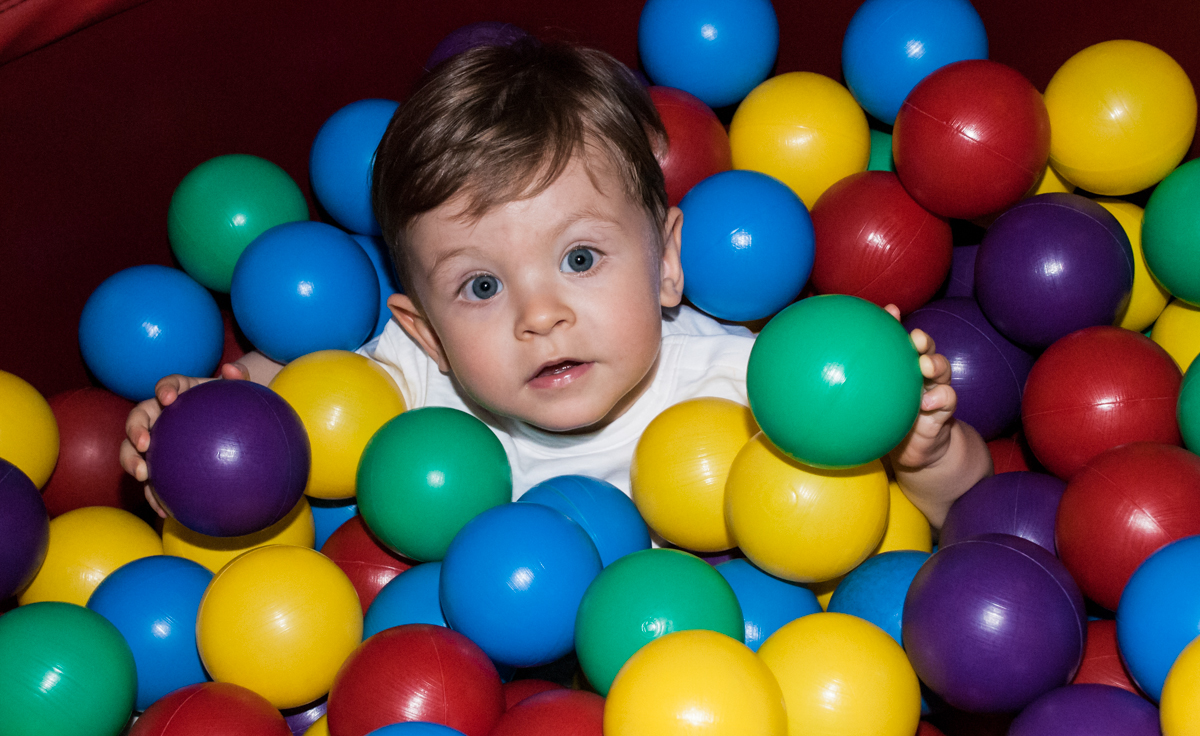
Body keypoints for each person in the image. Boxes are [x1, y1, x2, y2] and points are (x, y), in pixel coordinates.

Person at [120, 39, 991, 528]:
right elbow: (291, 416)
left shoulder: (754, 386)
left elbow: (962, 509)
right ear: (421, 330)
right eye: (480, 288)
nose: (541, 314)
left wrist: (925, 449)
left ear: (669, 264)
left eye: (580, 259)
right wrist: (199, 425)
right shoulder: (415, 382)